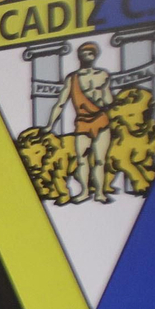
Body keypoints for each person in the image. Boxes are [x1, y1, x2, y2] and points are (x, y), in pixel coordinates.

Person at [48, 41, 115, 204]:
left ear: (95, 55)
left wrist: (102, 96)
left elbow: (109, 100)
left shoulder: (103, 75)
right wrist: (50, 125)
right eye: (84, 53)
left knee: (100, 160)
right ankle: (84, 191)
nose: (88, 56)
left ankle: (99, 192)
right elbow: (61, 103)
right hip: (83, 123)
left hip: (101, 120)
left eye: (91, 53)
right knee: (82, 159)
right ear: (79, 56)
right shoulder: (73, 78)